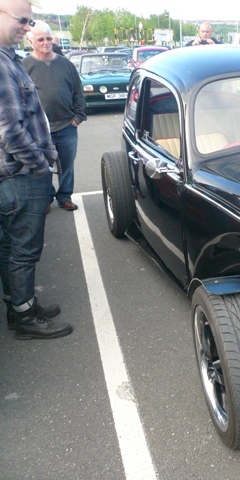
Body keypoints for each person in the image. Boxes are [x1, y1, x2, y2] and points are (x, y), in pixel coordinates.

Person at [0, 0, 73, 339]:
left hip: (20, 173)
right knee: (24, 250)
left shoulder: (8, 60)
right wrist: (41, 163)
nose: (28, 28)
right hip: (22, 175)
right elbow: (9, 131)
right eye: (23, 20)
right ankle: (25, 318)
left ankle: (21, 306)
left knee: (13, 248)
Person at [23, 20, 85, 212]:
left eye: (49, 38)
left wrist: (78, 117)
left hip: (67, 126)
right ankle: (47, 197)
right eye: (40, 39)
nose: (46, 42)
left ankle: (64, 197)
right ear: (30, 41)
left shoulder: (66, 64)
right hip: (39, 130)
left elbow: (78, 92)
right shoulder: (24, 66)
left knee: (67, 165)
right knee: (43, 167)